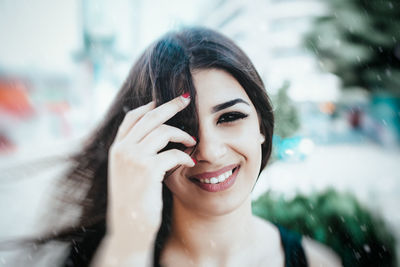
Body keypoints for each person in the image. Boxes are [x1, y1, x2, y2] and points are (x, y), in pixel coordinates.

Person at [25, 27, 341, 267]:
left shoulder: (318, 262)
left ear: (261, 126)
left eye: (230, 117)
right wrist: (130, 241)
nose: (211, 151)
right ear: (142, 150)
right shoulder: (111, 256)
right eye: (180, 127)